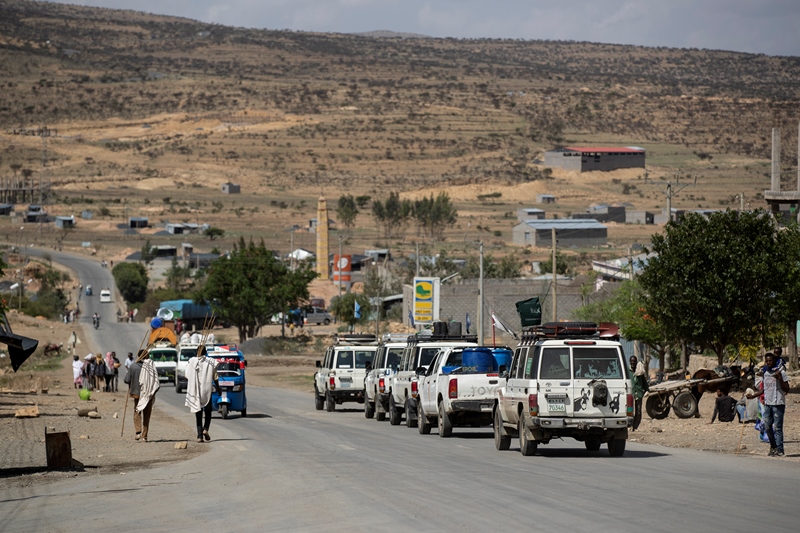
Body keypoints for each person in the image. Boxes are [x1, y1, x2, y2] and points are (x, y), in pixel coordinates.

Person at [747, 352, 789, 456]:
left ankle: (780, 449)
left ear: (774, 360)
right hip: (768, 403)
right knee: (767, 426)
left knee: (778, 427)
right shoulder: (765, 373)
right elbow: (764, 389)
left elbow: (787, 389)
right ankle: (773, 446)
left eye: (770, 361)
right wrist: (753, 396)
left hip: (778, 403)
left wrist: (779, 378)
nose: (769, 363)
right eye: (767, 361)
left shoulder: (781, 372)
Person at [185, 345, 219, 443]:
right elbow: (215, 377)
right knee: (208, 412)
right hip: (207, 391)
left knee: (198, 414)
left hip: (196, 391)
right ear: (205, 352)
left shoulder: (192, 361)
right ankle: (205, 429)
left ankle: (199, 436)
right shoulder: (211, 362)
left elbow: (187, 375)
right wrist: (219, 389)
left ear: (197, 352)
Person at [629, 355, 649, 431]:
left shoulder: (639, 371)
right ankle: (630, 425)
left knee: (638, 410)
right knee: (630, 410)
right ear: (630, 362)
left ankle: (635, 426)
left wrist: (647, 390)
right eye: (632, 361)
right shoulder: (628, 371)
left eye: (634, 361)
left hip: (639, 393)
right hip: (630, 393)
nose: (633, 362)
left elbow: (644, 382)